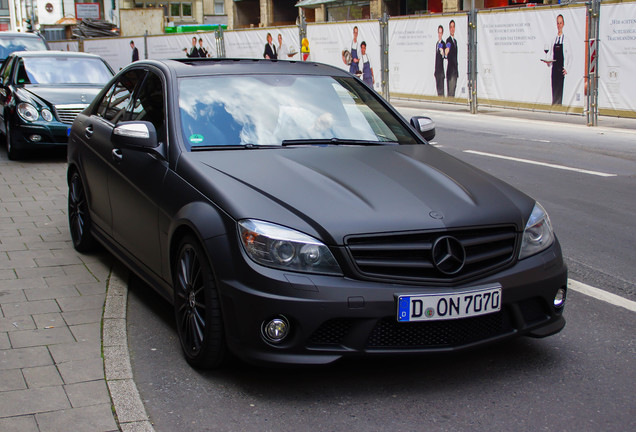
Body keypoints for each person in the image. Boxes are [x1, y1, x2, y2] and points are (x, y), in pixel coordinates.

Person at [544, 14, 572, 105]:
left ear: (563, 24)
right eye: (558, 23)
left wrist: (567, 69)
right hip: (554, 69)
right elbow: (551, 55)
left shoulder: (566, 40)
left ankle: (559, 106)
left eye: (560, 23)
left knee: (560, 90)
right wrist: (548, 62)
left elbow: (570, 56)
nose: (559, 25)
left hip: (561, 69)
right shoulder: (553, 40)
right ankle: (554, 106)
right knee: (554, 89)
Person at [444, 19, 458, 98]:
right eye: (451, 27)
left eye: (453, 27)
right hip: (451, 72)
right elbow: (447, 50)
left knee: (453, 92)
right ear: (449, 29)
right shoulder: (448, 41)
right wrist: (446, 51)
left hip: (455, 71)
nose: (452, 29)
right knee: (451, 93)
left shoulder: (455, 41)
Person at [434, 25, 445, 97]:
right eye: (439, 33)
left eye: (441, 33)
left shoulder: (443, 43)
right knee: (438, 88)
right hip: (437, 71)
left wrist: (442, 52)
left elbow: (444, 55)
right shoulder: (437, 43)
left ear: (442, 33)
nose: (439, 34)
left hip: (441, 71)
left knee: (441, 89)